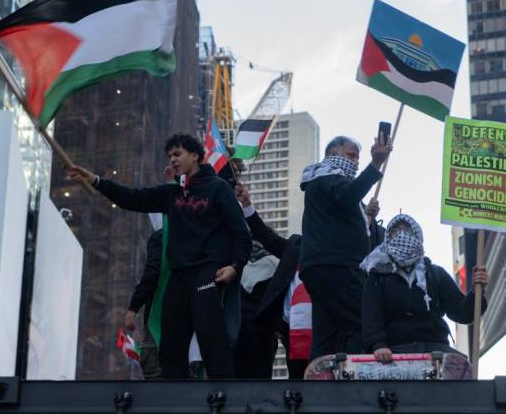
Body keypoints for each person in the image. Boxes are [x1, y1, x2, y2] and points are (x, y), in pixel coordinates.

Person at [69, 133, 252, 378]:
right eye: (170, 156)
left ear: (196, 155)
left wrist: (235, 266)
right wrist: (97, 181)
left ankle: (224, 395)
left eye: (178, 154)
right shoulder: (171, 193)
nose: (173, 160)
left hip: (208, 272)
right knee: (170, 345)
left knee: (211, 335)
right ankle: (173, 398)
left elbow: (241, 232)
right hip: (178, 277)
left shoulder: (217, 188)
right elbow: (132, 198)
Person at [235, 182, 386, 378]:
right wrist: (247, 204)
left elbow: (370, 252)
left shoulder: (347, 249)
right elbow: (266, 237)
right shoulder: (298, 244)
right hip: (294, 330)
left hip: (333, 327)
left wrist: (369, 220)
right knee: (299, 383)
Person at [299, 135, 390, 359]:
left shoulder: (327, 182)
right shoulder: (327, 177)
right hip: (336, 265)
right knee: (364, 321)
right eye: (351, 155)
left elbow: (342, 208)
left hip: (324, 266)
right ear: (333, 155)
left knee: (327, 332)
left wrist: (366, 218)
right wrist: (376, 163)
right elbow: (347, 195)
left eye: (358, 158)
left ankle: (320, 383)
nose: (356, 161)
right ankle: (357, 376)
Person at [360, 214, 488, 362]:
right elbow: (371, 315)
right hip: (393, 353)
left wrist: (477, 291)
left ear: (417, 236)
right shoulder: (378, 276)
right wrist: (378, 345)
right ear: (388, 237)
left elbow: (462, 313)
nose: (401, 236)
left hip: (436, 351)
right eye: (396, 232)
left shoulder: (435, 274)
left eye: (407, 231)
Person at [124, 214, 164, 379]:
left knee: (155, 373)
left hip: (159, 317)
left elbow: (152, 273)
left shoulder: (160, 238)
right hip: (192, 321)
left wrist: (133, 308)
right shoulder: (197, 235)